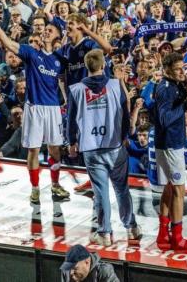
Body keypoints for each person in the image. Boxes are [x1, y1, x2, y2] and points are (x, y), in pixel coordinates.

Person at [67, 49, 141, 246]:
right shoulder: (116, 85)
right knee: (122, 189)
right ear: (103, 65)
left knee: (101, 192)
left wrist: (71, 142)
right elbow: (124, 115)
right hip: (115, 146)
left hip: (91, 149)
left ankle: (105, 233)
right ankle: (131, 227)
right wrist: (125, 136)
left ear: (86, 66)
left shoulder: (75, 89)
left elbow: (71, 120)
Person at [0, 22, 71, 205]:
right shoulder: (31, 52)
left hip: (53, 108)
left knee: (55, 149)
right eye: (45, 29)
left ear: (57, 38)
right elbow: (9, 45)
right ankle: (35, 189)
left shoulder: (60, 59)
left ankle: (55, 184)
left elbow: (62, 79)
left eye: (50, 31)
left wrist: (67, 97)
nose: (46, 31)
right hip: (34, 107)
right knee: (33, 149)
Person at [149, 52, 187, 250]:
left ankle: (162, 235)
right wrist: (185, 104)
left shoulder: (173, 85)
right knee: (179, 190)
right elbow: (165, 119)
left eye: (182, 68)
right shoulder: (166, 89)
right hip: (170, 146)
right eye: (178, 69)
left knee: (170, 188)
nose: (182, 72)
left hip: (170, 144)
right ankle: (177, 238)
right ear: (167, 69)